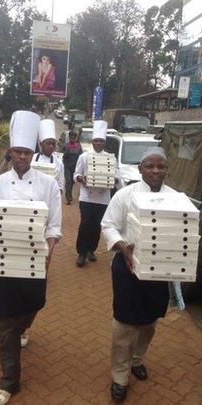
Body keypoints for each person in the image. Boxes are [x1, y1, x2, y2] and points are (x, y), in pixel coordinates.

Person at [0, 110, 62, 405]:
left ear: (33, 152)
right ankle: (9, 380)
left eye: (27, 151)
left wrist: (50, 251)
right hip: (2, 263)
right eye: (17, 152)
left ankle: (23, 328)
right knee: (6, 321)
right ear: (10, 152)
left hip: (35, 261)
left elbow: (54, 225)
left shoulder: (48, 185)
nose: (22, 156)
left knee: (35, 304)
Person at [101, 147, 175, 403]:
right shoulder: (125, 195)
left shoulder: (176, 199)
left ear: (167, 169)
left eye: (160, 166)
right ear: (141, 168)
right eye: (150, 166)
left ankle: (137, 359)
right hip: (127, 268)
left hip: (158, 271)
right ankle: (120, 375)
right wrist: (122, 246)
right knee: (124, 324)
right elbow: (108, 224)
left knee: (149, 321)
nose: (155, 171)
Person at [74, 120, 119, 268]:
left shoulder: (111, 158)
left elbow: (118, 175)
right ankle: (81, 252)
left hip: (103, 198)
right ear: (92, 142)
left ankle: (91, 250)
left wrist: (114, 179)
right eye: (96, 141)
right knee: (85, 223)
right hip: (86, 197)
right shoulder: (84, 157)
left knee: (96, 225)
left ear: (104, 143)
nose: (99, 143)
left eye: (101, 141)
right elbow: (76, 174)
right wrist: (81, 179)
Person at [33, 119, 64, 192]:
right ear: (41, 144)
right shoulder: (32, 159)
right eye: (48, 143)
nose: (51, 146)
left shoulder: (59, 163)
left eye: (53, 143)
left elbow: (60, 184)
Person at [62, 131, 82, 204]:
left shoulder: (79, 146)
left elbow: (81, 156)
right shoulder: (65, 146)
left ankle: (69, 194)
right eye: (71, 137)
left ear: (76, 138)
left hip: (75, 167)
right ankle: (68, 198)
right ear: (69, 138)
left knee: (72, 182)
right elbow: (63, 156)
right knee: (68, 181)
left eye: (74, 137)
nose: (72, 139)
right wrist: (68, 150)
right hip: (67, 167)